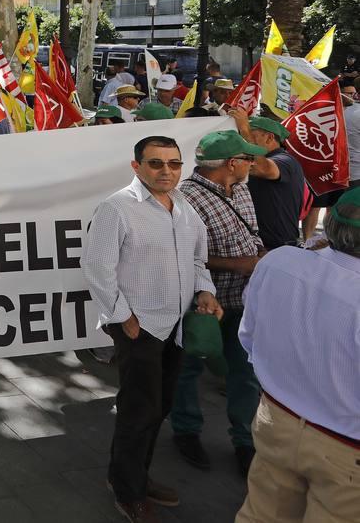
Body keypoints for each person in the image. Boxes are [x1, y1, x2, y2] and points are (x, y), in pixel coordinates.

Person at [82, 134, 221, 521]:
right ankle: (128, 490)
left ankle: (131, 475)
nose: (166, 171)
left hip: (175, 327)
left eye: (174, 164)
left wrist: (205, 293)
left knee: (159, 407)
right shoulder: (117, 208)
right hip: (139, 327)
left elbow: (198, 262)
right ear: (136, 166)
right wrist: (124, 318)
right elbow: (97, 268)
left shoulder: (185, 209)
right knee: (138, 410)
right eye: (156, 163)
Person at [234, 187, 360, 523]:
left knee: (260, 515)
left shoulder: (279, 262)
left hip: (276, 418)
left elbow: (248, 336)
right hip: (345, 449)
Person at [170, 131, 267, 477]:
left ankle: (245, 440)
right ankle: (186, 431)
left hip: (243, 300)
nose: (253, 164)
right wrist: (242, 264)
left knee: (246, 373)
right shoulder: (184, 198)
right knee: (188, 368)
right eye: (249, 159)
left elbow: (251, 234)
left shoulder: (240, 188)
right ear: (232, 163)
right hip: (200, 303)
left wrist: (261, 258)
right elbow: (181, 256)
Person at [229, 111, 305, 251]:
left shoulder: (286, 161)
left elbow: (261, 168)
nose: (243, 139)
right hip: (258, 245)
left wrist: (245, 130)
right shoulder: (249, 158)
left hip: (278, 247)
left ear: (270, 137)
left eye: (252, 134)